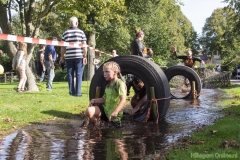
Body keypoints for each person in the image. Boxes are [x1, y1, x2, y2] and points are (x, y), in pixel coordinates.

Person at [84, 61, 127, 128]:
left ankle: (102, 125)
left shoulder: (119, 83)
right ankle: (98, 123)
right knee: (89, 111)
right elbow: (104, 99)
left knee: (114, 134)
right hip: (105, 110)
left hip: (114, 114)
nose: (104, 74)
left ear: (115, 72)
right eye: (104, 72)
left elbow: (123, 100)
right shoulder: (108, 85)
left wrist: (116, 112)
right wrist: (94, 100)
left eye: (107, 71)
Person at [60, 16, 87, 97]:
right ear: (77, 23)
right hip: (79, 56)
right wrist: (85, 56)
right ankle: (78, 93)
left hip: (69, 56)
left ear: (70, 23)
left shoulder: (65, 33)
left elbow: (63, 47)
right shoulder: (81, 32)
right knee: (79, 74)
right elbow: (84, 45)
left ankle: (71, 92)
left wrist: (62, 57)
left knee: (70, 74)